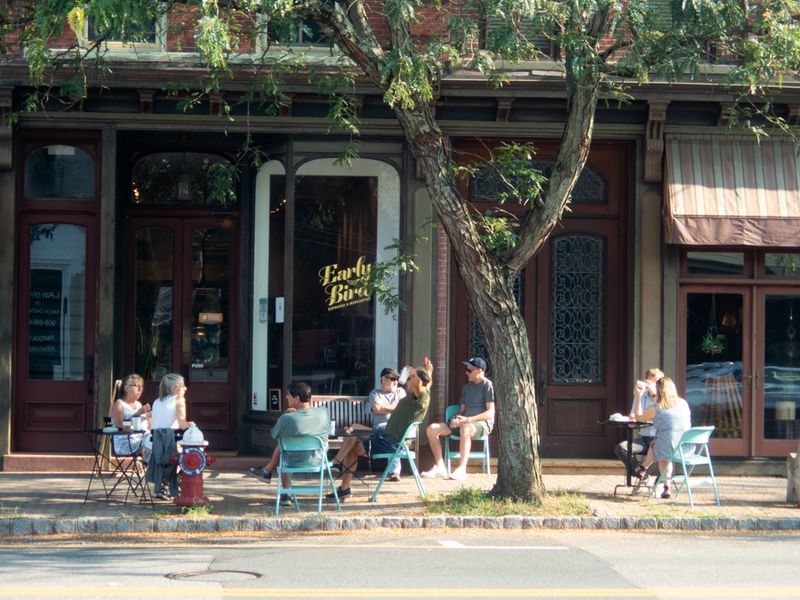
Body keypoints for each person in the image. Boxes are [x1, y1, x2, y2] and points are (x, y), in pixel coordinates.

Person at [330, 364, 432, 500]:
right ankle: (340, 476)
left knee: (352, 448)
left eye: (410, 378)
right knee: (353, 437)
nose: (404, 381)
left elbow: (422, 384)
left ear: (417, 382)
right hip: (386, 437)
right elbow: (427, 383)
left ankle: (338, 471)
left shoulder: (418, 398)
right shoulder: (420, 396)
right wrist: (428, 371)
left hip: (390, 441)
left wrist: (416, 373)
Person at [422, 357, 495, 481]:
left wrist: (468, 420)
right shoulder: (467, 388)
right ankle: (441, 467)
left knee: (465, 428)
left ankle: (462, 469)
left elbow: (490, 412)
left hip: (481, 424)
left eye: (469, 370)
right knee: (432, 429)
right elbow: (462, 411)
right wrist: (455, 419)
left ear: (479, 371)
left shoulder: (487, 385)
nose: (466, 372)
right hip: (464, 422)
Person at [269, 382, 330, 507]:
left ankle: (285, 494)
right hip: (318, 460)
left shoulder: (287, 418)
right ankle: (268, 472)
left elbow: (274, 434)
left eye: (288, 395)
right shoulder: (324, 413)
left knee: (283, 452)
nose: (286, 397)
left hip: (293, 462)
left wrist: (287, 414)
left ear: (296, 398)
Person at [634, 376, 692, 499]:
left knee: (659, 448)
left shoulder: (656, 408)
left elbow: (639, 417)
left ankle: (643, 467)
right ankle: (666, 487)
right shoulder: (683, 403)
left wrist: (638, 396)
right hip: (686, 448)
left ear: (659, 390)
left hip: (668, 447)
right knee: (658, 446)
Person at [145, 373, 194, 500]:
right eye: (183, 386)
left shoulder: (156, 401)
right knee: (187, 454)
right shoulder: (179, 400)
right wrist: (192, 424)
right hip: (169, 443)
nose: (185, 389)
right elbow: (183, 424)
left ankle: (161, 487)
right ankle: (175, 484)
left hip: (154, 446)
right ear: (173, 389)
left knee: (172, 452)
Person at [614, 368, 663, 481]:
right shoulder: (642, 395)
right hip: (645, 438)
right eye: (651, 383)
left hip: (659, 439)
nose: (654, 385)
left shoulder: (664, 398)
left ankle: (651, 477)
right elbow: (633, 416)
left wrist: (654, 393)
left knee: (659, 450)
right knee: (621, 448)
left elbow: (661, 409)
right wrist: (637, 396)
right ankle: (641, 473)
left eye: (658, 383)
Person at [367, 367, 407, 481]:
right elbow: (377, 409)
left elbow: (404, 409)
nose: (395, 381)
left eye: (397, 379)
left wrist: (385, 408)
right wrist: (396, 408)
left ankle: (394, 471)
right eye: (392, 378)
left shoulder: (400, 392)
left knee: (394, 432)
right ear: (383, 380)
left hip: (398, 428)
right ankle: (394, 471)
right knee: (391, 433)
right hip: (381, 428)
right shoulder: (375, 393)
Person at [108, 373, 150, 457]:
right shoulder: (119, 404)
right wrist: (137, 414)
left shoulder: (138, 404)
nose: (140, 389)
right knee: (155, 443)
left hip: (142, 438)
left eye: (141, 386)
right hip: (126, 442)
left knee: (162, 440)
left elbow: (146, 426)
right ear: (126, 388)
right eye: (136, 386)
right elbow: (119, 426)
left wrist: (149, 418)